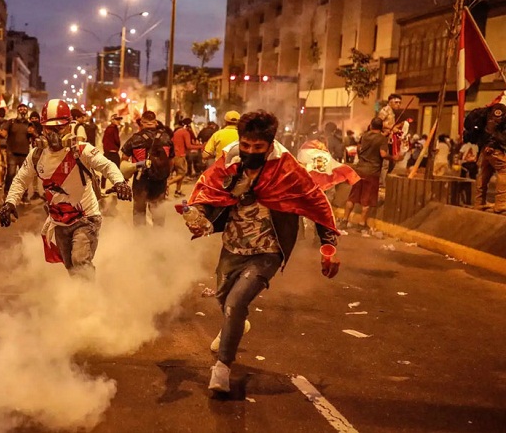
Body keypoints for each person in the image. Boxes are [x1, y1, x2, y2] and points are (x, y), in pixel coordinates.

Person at [182, 110, 340, 393]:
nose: (250, 151)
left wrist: (328, 246)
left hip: (268, 250)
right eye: (246, 145)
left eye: (258, 147)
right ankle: (236, 323)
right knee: (224, 300)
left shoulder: (287, 169)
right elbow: (208, 191)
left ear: (269, 145)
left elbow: (316, 203)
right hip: (232, 246)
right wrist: (199, 215)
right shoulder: (230, 161)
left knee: (235, 302)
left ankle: (222, 368)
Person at [0, 99, 132, 278]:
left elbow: (107, 166)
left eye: (59, 128)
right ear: (43, 128)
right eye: (49, 129)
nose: (54, 134)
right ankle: (77, 298)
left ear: (69, 126)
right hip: (59, 221)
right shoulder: (37, 155)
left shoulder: (82, 150)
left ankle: (89, 302)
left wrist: (119, 182)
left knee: (80, 261)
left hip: (86, 218)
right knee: (70, 266)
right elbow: (21, 179)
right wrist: (10, 202)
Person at [341, 117, 402, 232]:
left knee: (352, 197)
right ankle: (362, 223)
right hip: (372, 172)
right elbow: (383, 154)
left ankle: (345, 220)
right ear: (381, 127)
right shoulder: (381, 139)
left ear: (371, 125)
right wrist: (393, 157)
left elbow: (359, 149)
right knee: (367, 199)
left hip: (359, 170)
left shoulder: (364, 136)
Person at [121, 111, 174, 226]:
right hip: (160, 180)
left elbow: (124, 159)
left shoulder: (135, 138)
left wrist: (126, 174)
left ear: (142, 122)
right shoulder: (166, 137)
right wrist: (166, 177)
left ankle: (140, 239)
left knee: (139, 211)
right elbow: (171, 160)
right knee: (158, 210)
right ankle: (158, 238)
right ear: (155, 122)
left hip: (141, 179)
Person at [475, 103, 506, 213]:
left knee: (484, 173)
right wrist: (492, 144)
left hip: (487, 147)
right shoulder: (500, 109)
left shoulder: (492, 110)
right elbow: (493, 126)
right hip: (494, 148)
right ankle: (501, 204)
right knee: (504, 170)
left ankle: (479, 203)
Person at [2, 103, 33, 199]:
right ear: (17, 110)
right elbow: (3, 132)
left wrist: (33, 132)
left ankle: (24, 195)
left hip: (24, 153)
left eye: (24, 109)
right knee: (11, 174)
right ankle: (7, 193)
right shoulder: (11, 122)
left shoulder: (29, 124)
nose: (22, 110)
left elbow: (35, 135)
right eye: (20, 108)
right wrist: (1, 132)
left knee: (23, 175)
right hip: (12, 152)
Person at [169, 118, 202, 198]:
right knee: (182, 173)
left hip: (174, 155)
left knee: (179, 173)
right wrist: (201, 146)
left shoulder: (177, 131)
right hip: (180, 155)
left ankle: (178, 191)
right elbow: (189, 146)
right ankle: (168, 183)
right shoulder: (185, 132)